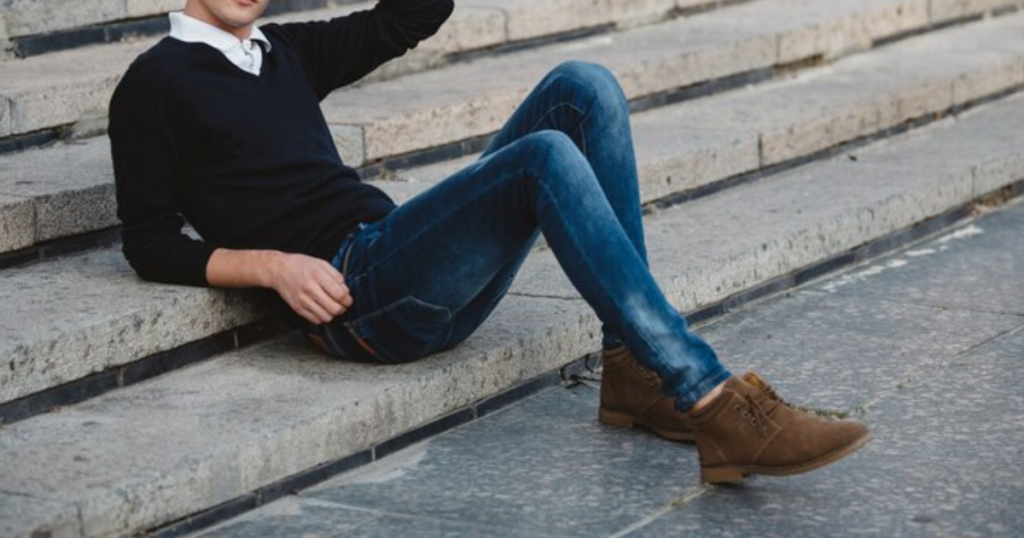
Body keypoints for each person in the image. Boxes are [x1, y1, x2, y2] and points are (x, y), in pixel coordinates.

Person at [109, 0, 870, 484]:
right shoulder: (155, 82)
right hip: (360, 297)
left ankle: (633, 374)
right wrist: (272, 267)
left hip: (399, 255)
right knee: (541, 159)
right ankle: (704, 393)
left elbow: (414, 13)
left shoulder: (285, 53)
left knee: (584, 84)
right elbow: (148, 242)